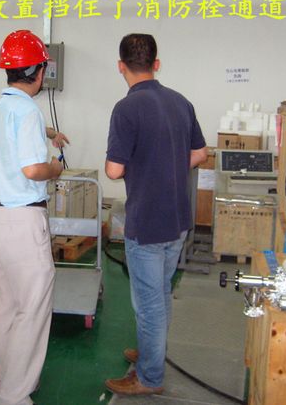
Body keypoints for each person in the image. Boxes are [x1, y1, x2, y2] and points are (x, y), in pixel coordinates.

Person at [104, 34, 208, 396]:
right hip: (177, 219)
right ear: (156, 64)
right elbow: (200, 153)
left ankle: (149, 377)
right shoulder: (181, 102)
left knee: (148, 304)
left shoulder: (126, 108)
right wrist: (168, 164)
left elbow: (114, 170)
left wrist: (144, 165)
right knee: (161, 292)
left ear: (121, 66)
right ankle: (151, 351)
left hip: (147, 222)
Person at [0, 29, 67, 405]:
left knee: (6, 309)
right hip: (23, 222)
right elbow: (33, 170)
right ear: (39, 71)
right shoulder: (28, 111)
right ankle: (12, 398)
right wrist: (56, 167)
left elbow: (10, 139)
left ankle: (7, 384)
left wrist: (46, 131)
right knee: (31, 310)